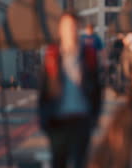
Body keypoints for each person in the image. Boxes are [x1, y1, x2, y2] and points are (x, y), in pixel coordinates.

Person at [39, 12, 103, 168]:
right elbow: (44, 90)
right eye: (66, 26)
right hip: (58, 121)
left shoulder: (88, 54)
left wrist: (94, 117)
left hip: (81, 119)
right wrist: (44, 120)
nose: (70, 30)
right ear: (60, 29)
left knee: (80, 162)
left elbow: (97, 88)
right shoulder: (52, 55)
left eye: (73, 26)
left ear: (78, 28)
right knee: (58, 162)